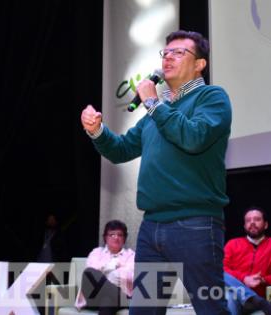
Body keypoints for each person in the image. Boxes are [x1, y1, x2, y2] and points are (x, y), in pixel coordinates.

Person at [81, 30, 232, 315]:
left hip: (195, 224)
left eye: (179, 53)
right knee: (144, 311)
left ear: (200, 64)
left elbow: (194, 137)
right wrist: (97, 131)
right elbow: (122, 149)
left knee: (210, 308)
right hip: (151, 228)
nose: (168, 59)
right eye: (166, 53)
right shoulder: (158, 111)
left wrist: (153, 103)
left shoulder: (212, 98)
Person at [223, 207, 271, 315]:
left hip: (260, 297)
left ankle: (255, 300)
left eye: (257, 219)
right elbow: (223, 270)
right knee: (220, 275)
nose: (252, 222)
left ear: (266, 224)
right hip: (234, 299)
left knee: (231, 294)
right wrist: (244, 279)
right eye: (248, 220)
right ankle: (254, 300)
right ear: (244, 226)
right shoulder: (232, 244)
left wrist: (263, 279)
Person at [76, 220, 135, 315]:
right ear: (105, 238)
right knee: (89, 272)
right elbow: (91, 273)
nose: (116, 238)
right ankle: (126, 301)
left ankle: (119, 298)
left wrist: (104, 272)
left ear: (124, 239)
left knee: (107, 301)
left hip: (116, 298)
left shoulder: (131, 255)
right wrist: (114, 266)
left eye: (120, 235)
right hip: (94, 297)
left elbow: (129, 277)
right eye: (112, 234)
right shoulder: (96, 252)